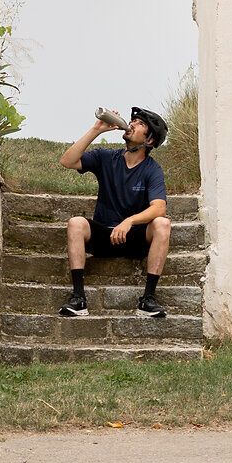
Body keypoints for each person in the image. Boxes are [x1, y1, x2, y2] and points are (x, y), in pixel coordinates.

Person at [58, 106, 171, 318]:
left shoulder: (152, 169)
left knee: (162, 224)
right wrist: (97, 129)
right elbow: (67, 161)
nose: (132, 124)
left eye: (140, 124)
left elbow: (159, 208)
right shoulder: (106, 157)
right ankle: (79, 299)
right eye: (133, 121)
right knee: (76, 223)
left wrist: (129, 221)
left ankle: (147, 300)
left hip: (134, 239)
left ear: (150, 141)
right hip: (104, 237)